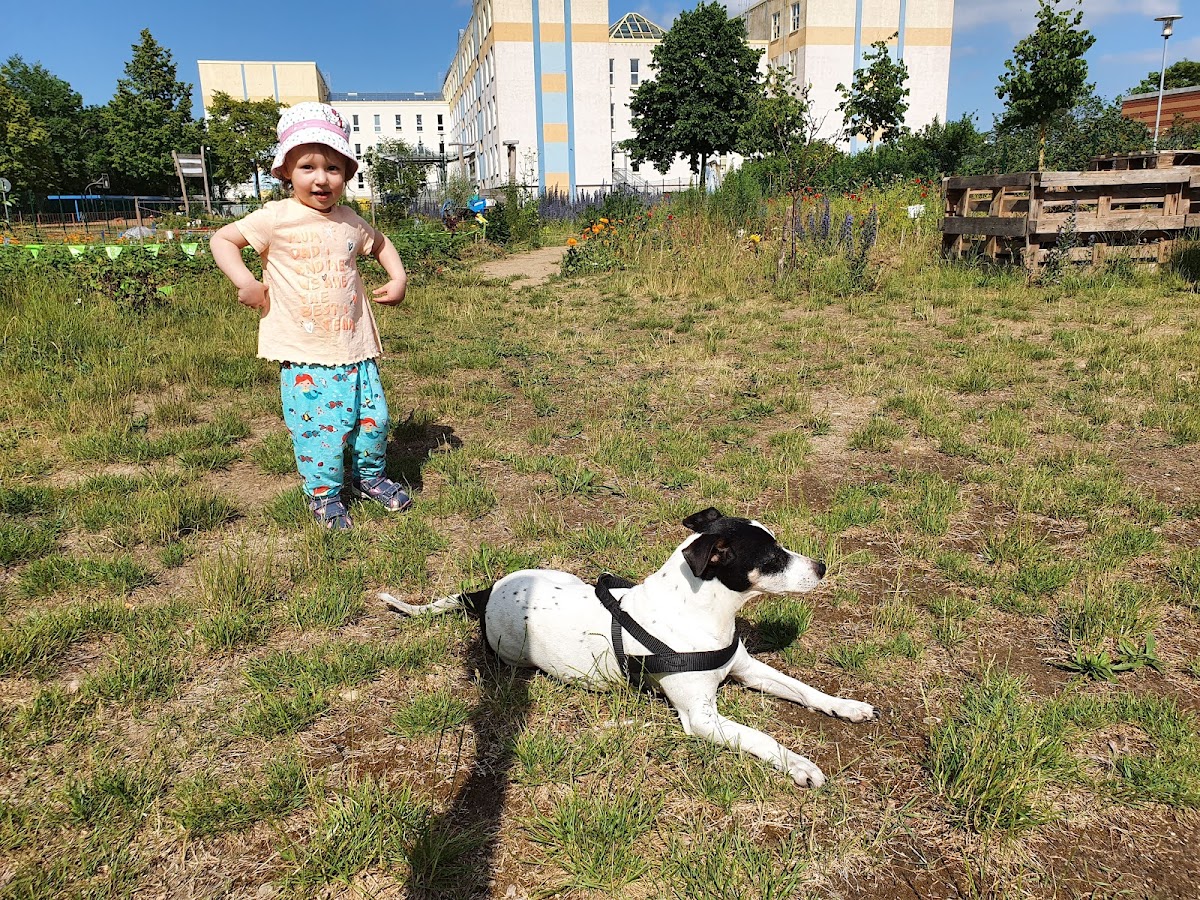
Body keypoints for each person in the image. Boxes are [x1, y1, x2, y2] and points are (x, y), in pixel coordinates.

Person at [211, 102, 411, 530]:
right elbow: (222, 240)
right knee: (321, 431)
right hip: (306, 353)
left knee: (374, 421)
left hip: (356, 347)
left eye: (333, 168)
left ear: (347, 174)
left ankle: (369, 477)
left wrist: (398, 277)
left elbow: (380, 244)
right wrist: (246, 281)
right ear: (286, 171)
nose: (321, 178)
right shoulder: (275, 217)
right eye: (307, 167)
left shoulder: (350, 220)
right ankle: (324, 495)